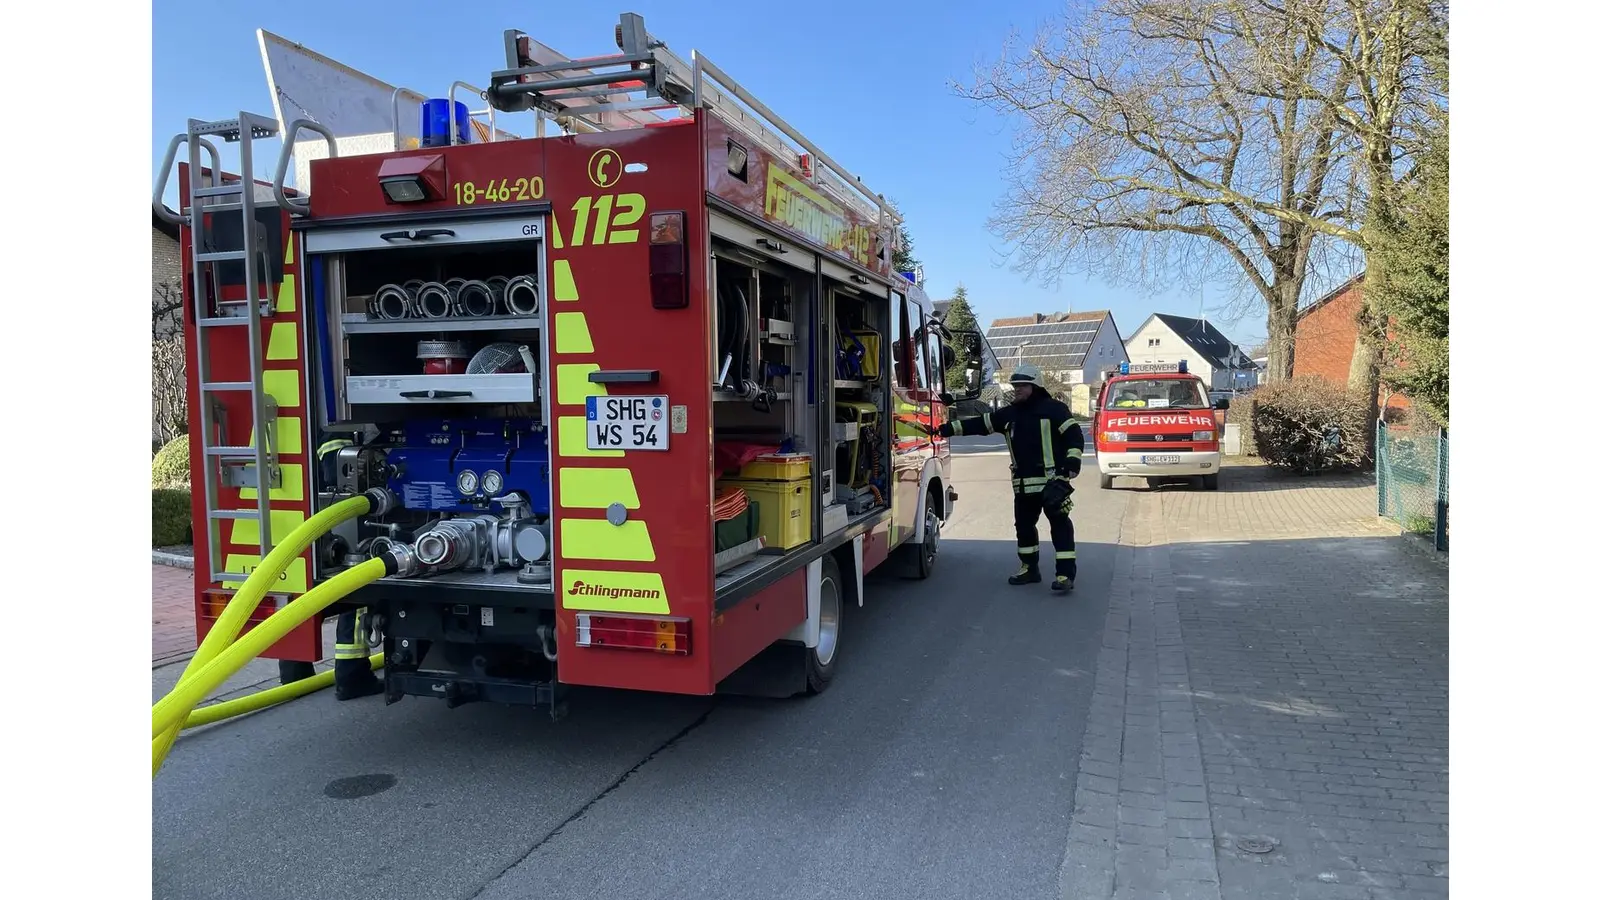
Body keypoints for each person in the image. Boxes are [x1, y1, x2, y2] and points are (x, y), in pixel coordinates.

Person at [925, 363, 1084, 592]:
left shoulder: (1055, 410)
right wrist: (945, 429)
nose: (1017, 389)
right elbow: (980, 424)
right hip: (1022, 486)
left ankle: (1065, 575)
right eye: (1015, 385)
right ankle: (1030, 569)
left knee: (1060, 527)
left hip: (1052, 483)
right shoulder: (1010, 414)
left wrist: (1072, 464)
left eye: (1022, 386)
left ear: (1035, 386)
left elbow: (1074, 437)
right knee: (1024, 528)